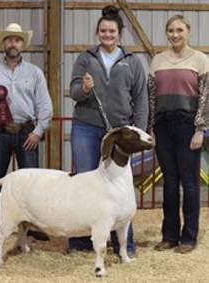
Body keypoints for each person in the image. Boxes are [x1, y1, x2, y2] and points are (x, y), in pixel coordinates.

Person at [69, 6, 148, 257]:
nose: (107, 34)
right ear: (97, 32)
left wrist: (139, 133)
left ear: (119, 33)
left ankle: (125, 243)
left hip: (119, 133)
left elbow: (141, 99)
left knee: (120, 185)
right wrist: (83, 87)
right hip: (86, 127)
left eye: (112, 30)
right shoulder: (85, 58)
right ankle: (81, 240)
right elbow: (74, 93)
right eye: (103, 30)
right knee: (85, 182)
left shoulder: (133, 62)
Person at [0, 23, 53, 241]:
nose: (13, 43)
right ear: (4, 43)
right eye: (9, 39)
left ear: (22, 45)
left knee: (32, 181)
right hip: (0, 131)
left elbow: (45, 105)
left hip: (27, 131)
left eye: (17, 40)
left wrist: (38, 131)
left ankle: (35, 225)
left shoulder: (35, 72)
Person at [148, 15, 209, 254]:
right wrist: (151, 127)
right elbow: (151, 97)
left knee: (190, 184)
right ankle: (169, 235)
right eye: (171, 30)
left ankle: (189, 237)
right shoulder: (157, 61)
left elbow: (205, 98)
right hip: (163, 126)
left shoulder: (201, 60)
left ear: (188, 32)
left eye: (179, 30)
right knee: (170, 183)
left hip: (188, 126)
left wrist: (200, 129)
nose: (175, 34)